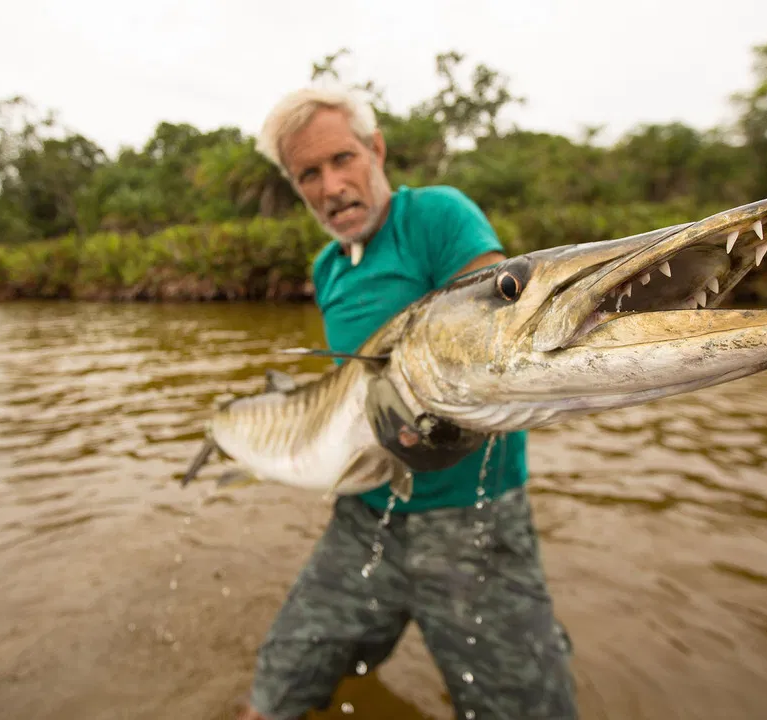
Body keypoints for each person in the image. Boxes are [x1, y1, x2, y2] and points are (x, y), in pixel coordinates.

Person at [236, 84, 578, 720]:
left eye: (342, 159)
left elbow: (502, 323)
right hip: (363, 519)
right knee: (270, 697)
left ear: (376, 149)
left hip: (475, 525)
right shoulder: (326, 268)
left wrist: (444, 422)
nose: (331, 185)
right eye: (307, 173)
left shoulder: (439, 215)